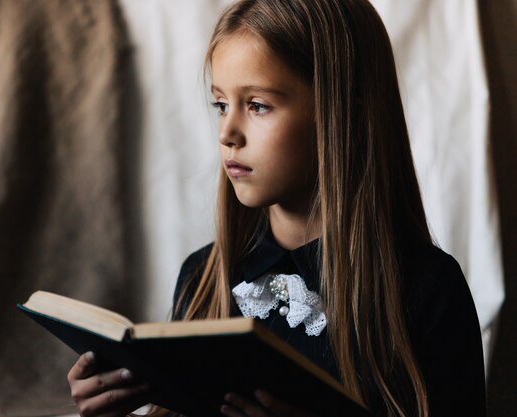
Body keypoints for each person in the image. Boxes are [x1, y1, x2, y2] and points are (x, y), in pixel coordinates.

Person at [67, 0, 487, 416]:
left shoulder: (427, 290)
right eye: (221, 104)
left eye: (258, 105)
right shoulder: (203, 279)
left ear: (343, 115)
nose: (228, 133)